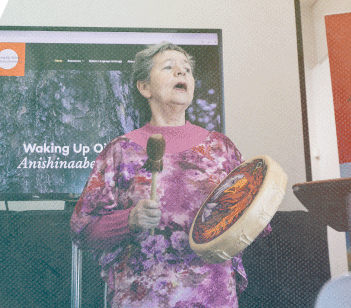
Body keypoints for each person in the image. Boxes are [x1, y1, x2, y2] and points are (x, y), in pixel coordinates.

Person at [70, 42, 255, 308]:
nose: (182, 73)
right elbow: (83, 230)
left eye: (187, 70)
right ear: (144, 87)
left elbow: (252, 220)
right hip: (142, 297)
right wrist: (129, 220)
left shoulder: (221, 148)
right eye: (169, 67)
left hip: (211, 296)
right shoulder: (120, 151)